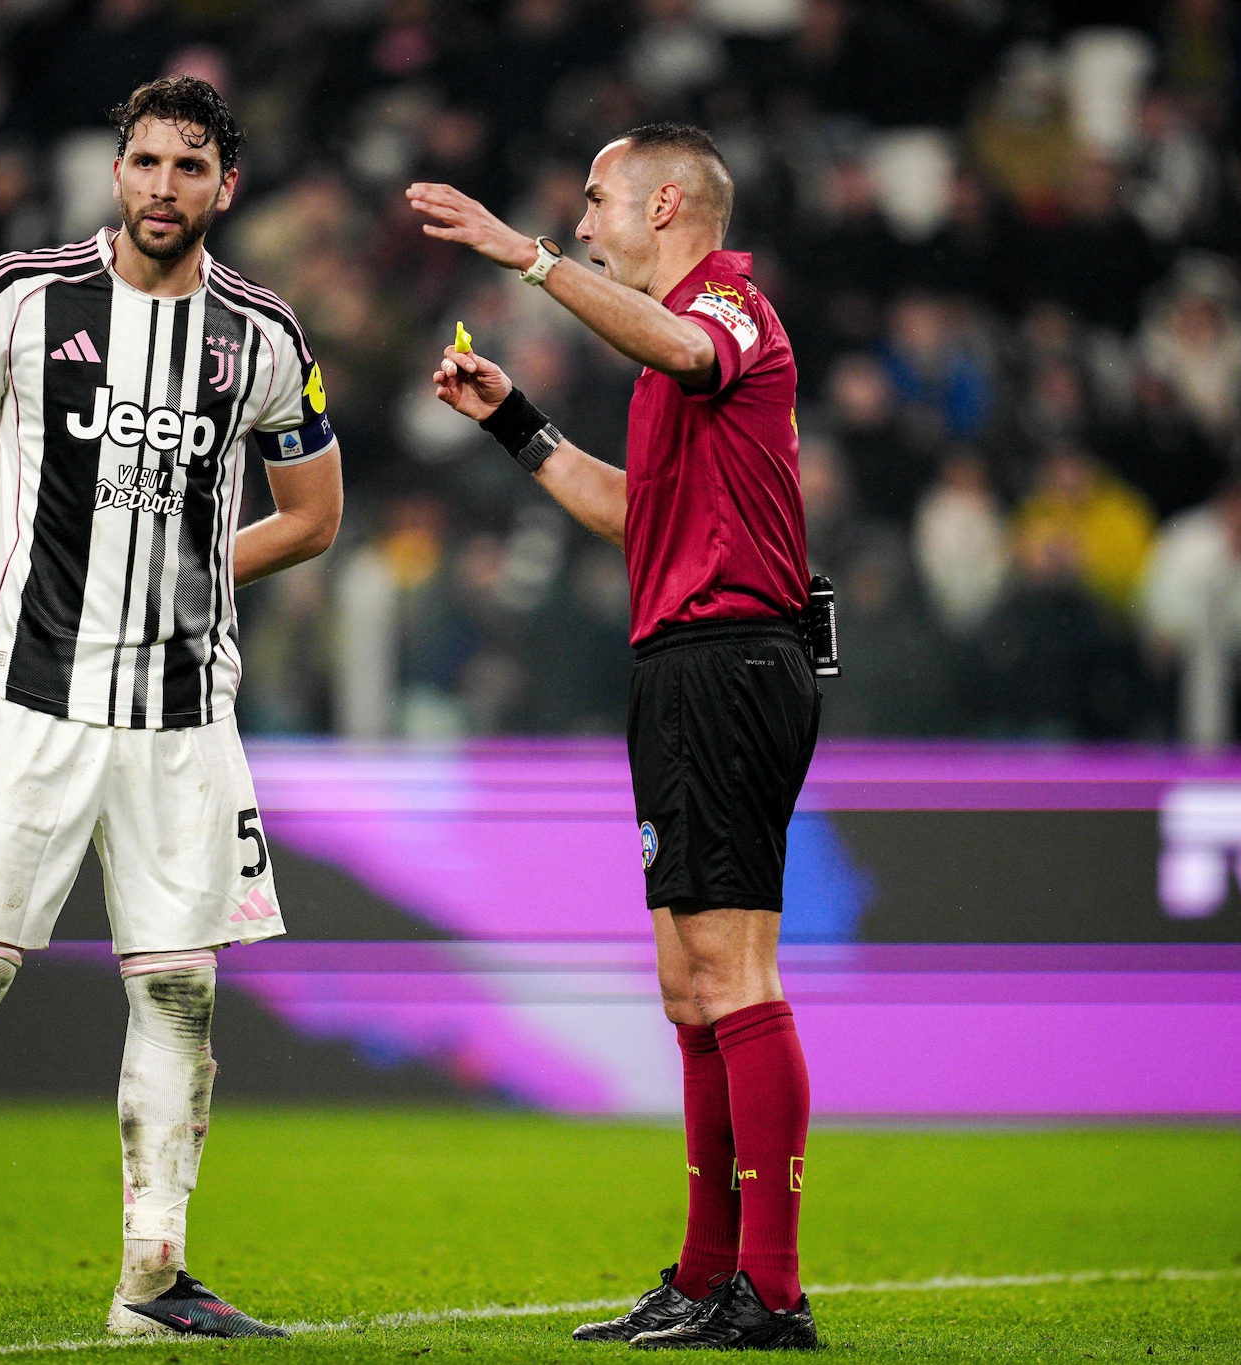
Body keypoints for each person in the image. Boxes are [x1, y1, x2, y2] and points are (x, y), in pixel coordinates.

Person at [0, 76, 342, 1340]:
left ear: (227, 185)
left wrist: (203, 568)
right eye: (145, 161)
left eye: (189, 166)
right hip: (32, 701)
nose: (164, 186)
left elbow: (314, 518)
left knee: (178, 994)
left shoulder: (264, 335)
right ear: (117, 171)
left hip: (182, 719)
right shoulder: (22, 296)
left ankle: (153, 1278)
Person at [408, 123, 820, 1352]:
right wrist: (516, 423)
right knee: (685, 986)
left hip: (732, 664)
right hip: (678, 664)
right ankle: (703, 1279)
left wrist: (522, 257)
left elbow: (687, 346)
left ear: (667, 204)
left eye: (595, 203)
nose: (583, 223)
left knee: (734, 974)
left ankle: (773, 1292)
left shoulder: (729, 314)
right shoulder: (665, 365)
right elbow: (636, 515)